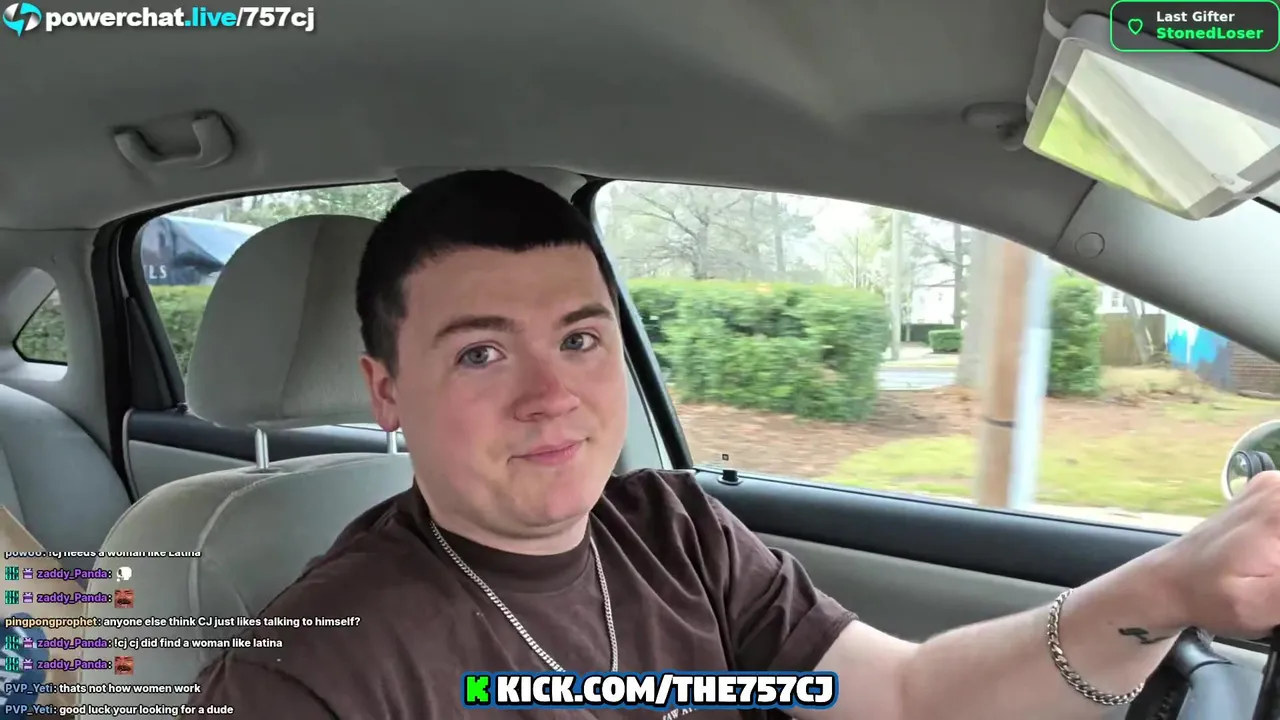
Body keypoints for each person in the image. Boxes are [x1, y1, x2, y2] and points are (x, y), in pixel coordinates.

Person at [187, 169, 1280, 719]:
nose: (550, 397)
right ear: (387, 392)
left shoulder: (673, 531)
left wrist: (1168, 586)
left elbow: (904, 699)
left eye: (580, 339)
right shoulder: (310, 666)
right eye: (481, 354)